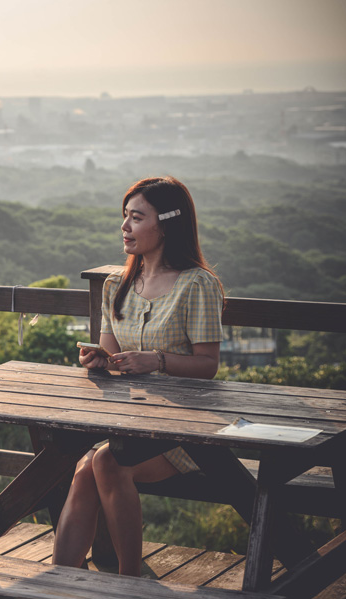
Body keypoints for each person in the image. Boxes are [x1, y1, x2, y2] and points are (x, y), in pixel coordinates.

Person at [51, 176, 224, 576]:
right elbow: (114, 355)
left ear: (165, 225)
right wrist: (101, 359)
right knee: (85, 468)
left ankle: (130, 581)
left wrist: (157, 361)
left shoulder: (197, 285)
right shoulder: (118, 284)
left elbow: (208, 365)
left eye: (136, 217)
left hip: (184, 430)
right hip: (126, 422)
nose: (124, 227)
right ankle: (58, 584)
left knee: (107, 462)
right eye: (124, 217)